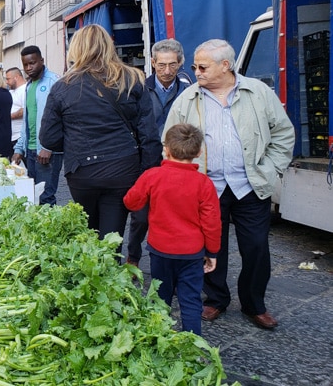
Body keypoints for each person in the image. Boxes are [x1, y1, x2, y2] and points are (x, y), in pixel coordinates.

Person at [163, 39, 295, 330]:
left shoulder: (258, 92)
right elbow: (169, 141)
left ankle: (254, 304)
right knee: (212, 246)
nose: (195, 71)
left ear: (226, 65)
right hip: (206, 187)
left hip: (250, 185)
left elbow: (284, 133)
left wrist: (270, 169)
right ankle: (215, 299)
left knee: (256, 247)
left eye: (202, 66)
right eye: (195, 66)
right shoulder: (188, 98)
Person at [39, 24, 161, 247]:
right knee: (112, 236)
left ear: (76, 49)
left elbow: (48, 139)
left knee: (89, 233)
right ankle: (112, 274)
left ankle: (93, 275)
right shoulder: (133, 79)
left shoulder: (62, 87)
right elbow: (149, 135)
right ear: (108, 46)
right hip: (123, 168)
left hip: (82, 170)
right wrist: (148, 173)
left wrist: (73, 136)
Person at [123, 123, 221, 335]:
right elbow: (212, 223)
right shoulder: (204, 184)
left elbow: (131, 202)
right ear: (199, 152)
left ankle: (160, 339)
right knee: (191, 300)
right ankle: (192, 346)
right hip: (192, 253)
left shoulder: (152, 176)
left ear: (165, 149)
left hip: (160, 250)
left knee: (160, 296)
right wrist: (212, 252)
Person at [126, 38, 193, 268]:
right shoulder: (140, 87)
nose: (167, 71)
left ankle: (171, 261)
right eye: (161, 65)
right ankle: (133, 256)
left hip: (179, 161)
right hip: (148, 159)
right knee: (141, 215)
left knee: (175, 213)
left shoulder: (189, 90)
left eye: (172, 65)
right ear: (153, 63)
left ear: (181, 63)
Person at [11, 45, 63, 205]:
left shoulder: (54, 82)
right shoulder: (28, 86)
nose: (29, 68)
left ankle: (51, 229)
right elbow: (27, 120)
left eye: (32, 63)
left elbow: (61, 118)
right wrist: (20, 149)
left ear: (41, 61)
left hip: (48, 151)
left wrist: (48, 147)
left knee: (46, 198)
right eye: (25, 65)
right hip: (31, 151)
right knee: (33, 196)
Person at [5, 67, 25, 147]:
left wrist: (7, 117)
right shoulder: (12, 91)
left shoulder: (24, 90)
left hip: (19, 135)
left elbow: (24, 110)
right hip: (11, 136)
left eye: (8, 79)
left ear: (16, 77)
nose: (6, 82)